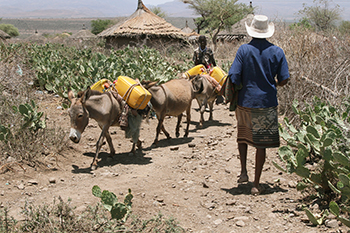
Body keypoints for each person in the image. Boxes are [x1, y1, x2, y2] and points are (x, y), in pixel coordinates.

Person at [228, 15, 290, 195]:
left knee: (243, 137)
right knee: (260, 144)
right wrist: (274, 84)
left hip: (245, 102)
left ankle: (243, 172)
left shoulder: (243, 50)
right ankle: (256, 184)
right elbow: (284, 79)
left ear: (252, 30)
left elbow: (234, 76)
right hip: (266, 103)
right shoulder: (277, 52)